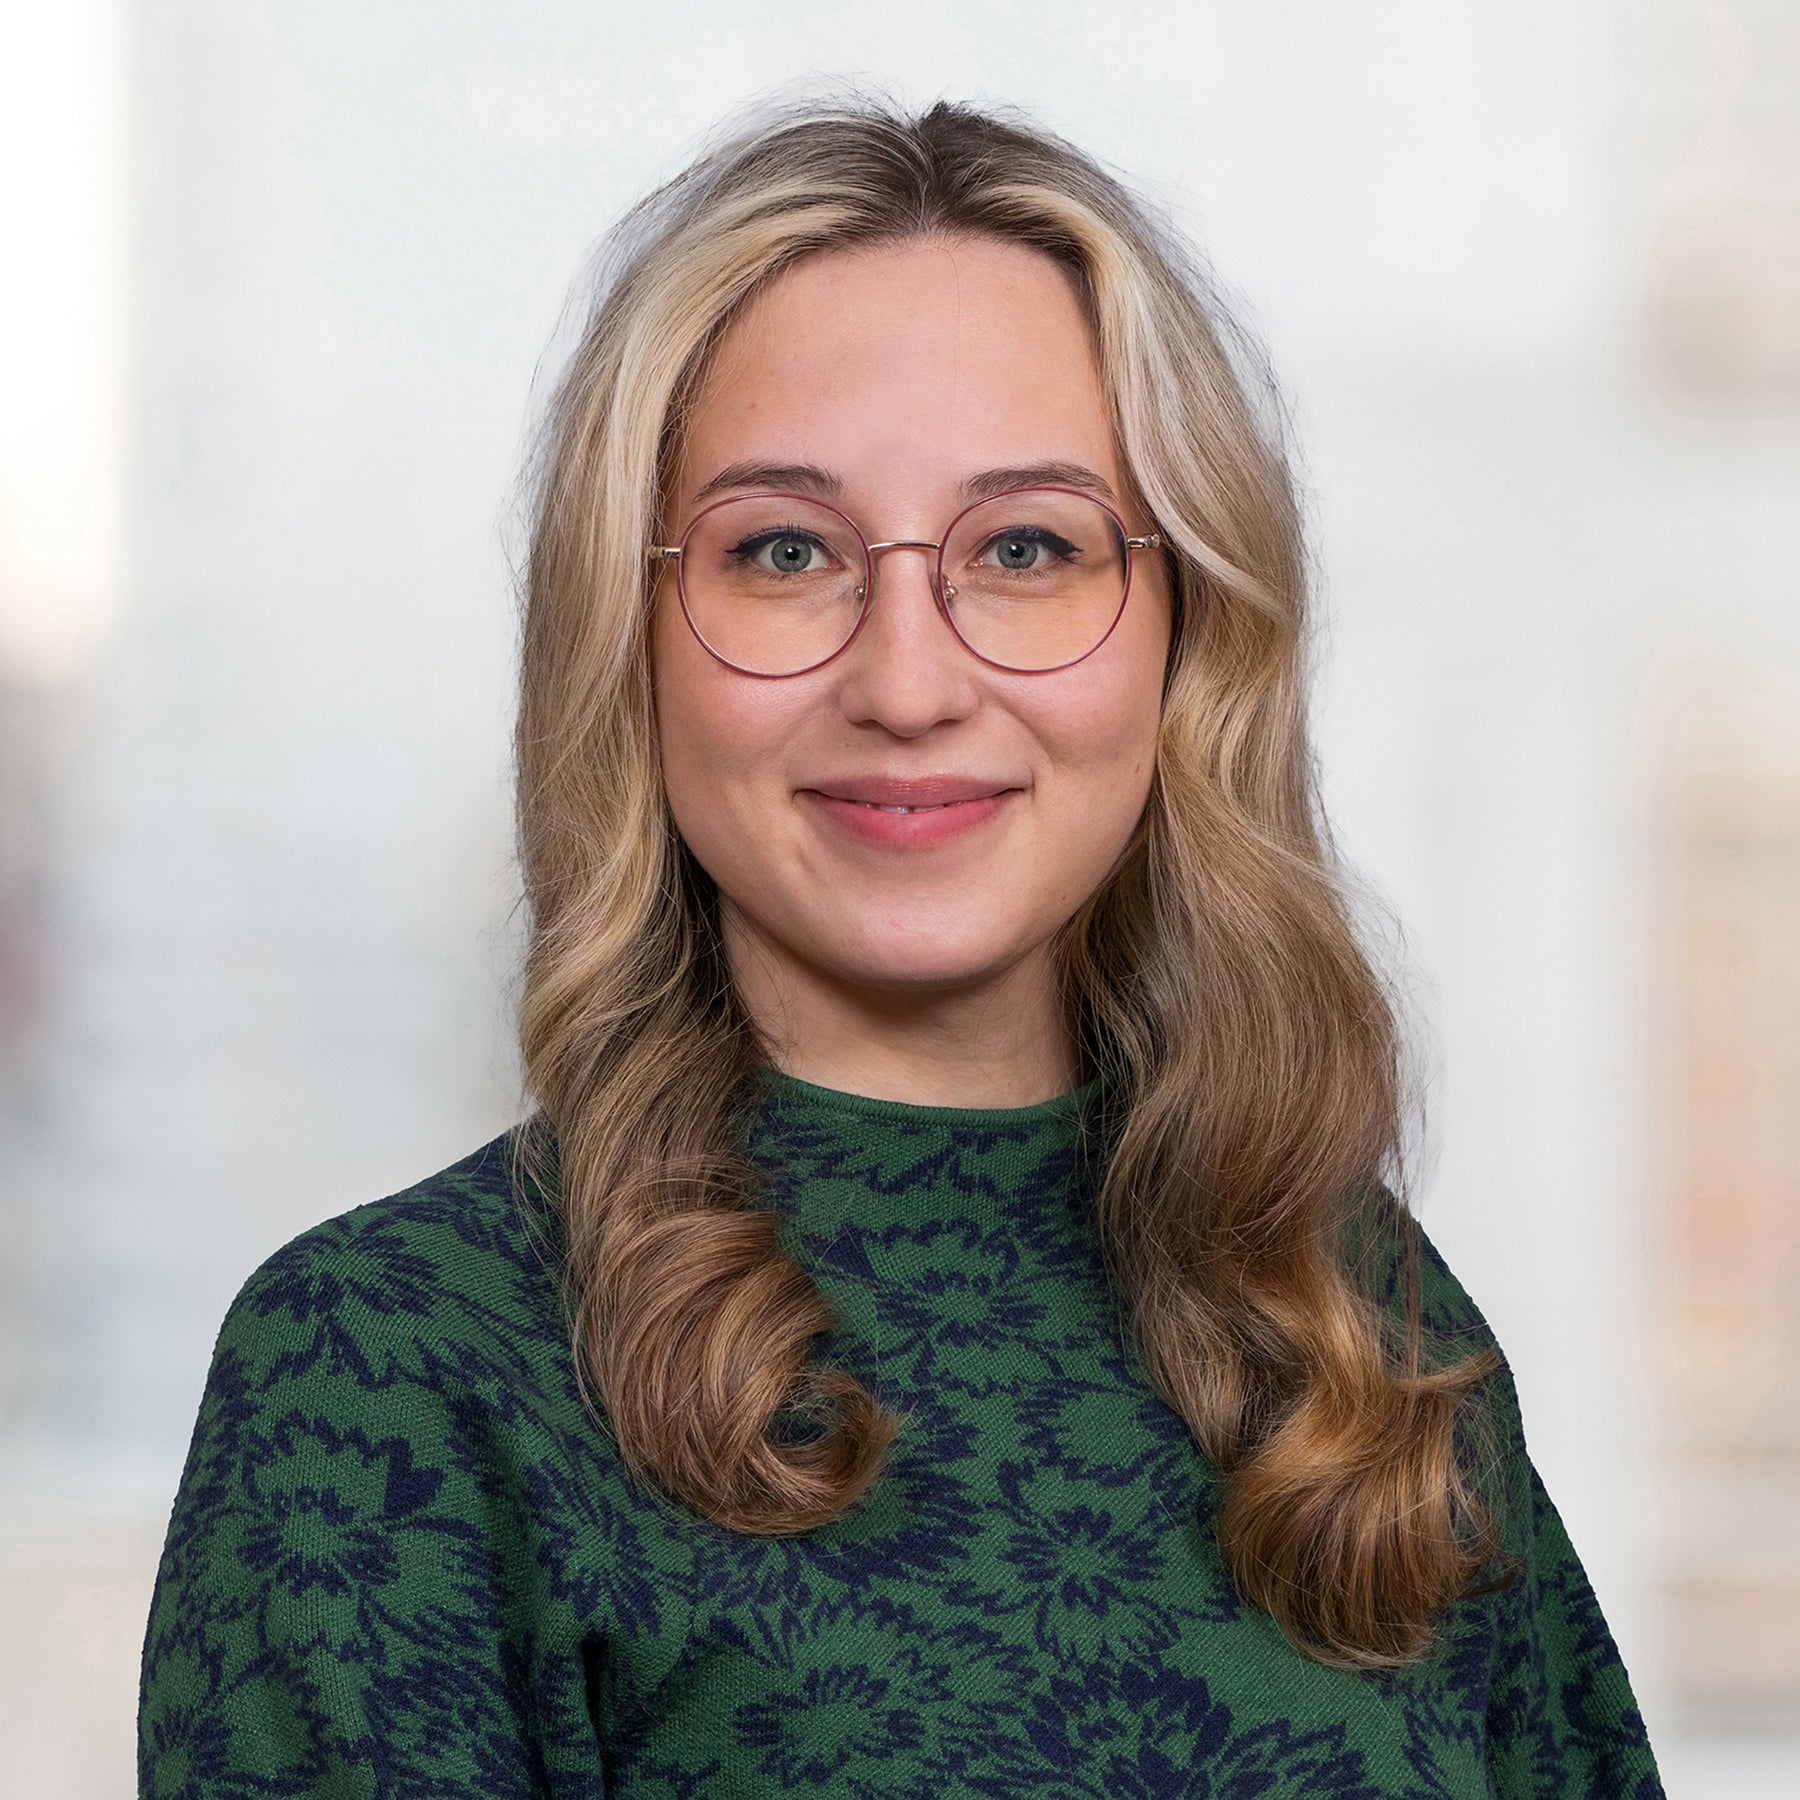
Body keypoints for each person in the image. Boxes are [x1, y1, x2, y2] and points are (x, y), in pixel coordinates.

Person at [137, 94, 1664, 1798]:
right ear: (630, 638)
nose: (910, 681)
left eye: (1028, 548)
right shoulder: (386, 1370)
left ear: (1188, 634)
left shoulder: (1344, 1324)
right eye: (785, 552)